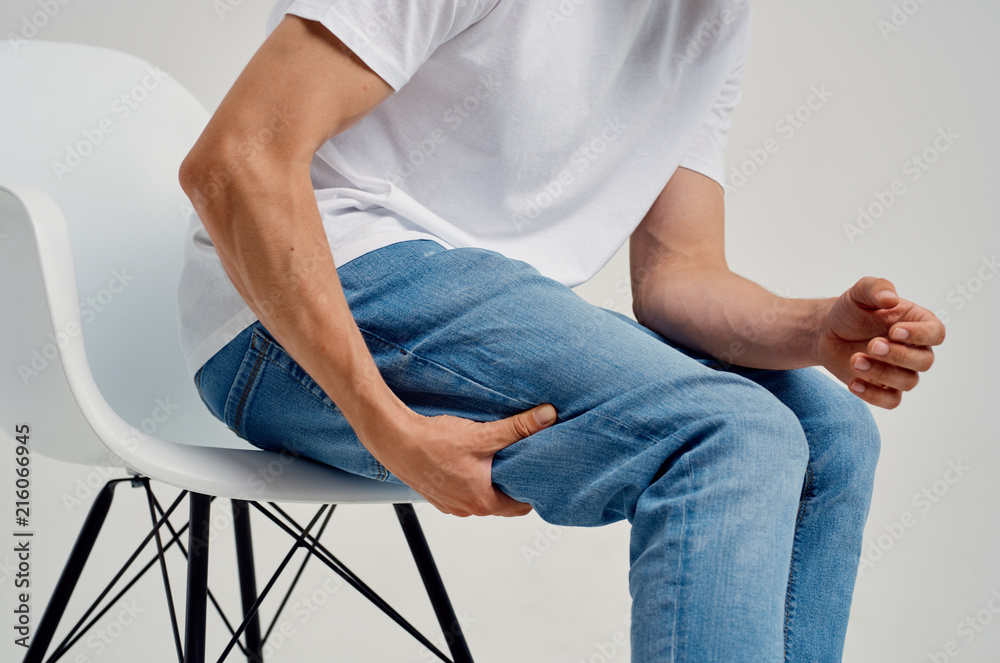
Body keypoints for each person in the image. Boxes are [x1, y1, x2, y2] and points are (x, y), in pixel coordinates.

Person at [175, 1, 946, 660]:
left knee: (830, 435)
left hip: (483, 296)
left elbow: (679, 274)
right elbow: (236, 159)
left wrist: (817, 330)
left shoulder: (711, 16)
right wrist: (386, 425)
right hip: (285, 315)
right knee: (730, 434)